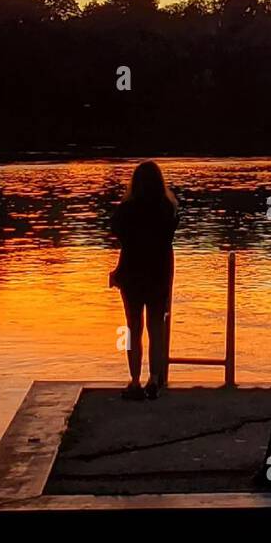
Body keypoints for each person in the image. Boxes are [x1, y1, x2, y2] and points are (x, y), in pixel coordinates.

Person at [110, 161, 179, 400]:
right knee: (156, 328)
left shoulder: (127, 209)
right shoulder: (167, 208)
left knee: (133, 328)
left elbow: (118, 235)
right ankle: (154, 379)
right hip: (159, 272)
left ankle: (135, 380)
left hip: (132, 273)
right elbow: (167, 242)